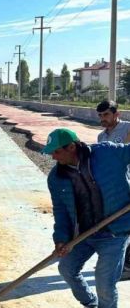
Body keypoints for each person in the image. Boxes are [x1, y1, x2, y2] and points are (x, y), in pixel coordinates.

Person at [43, 128, 130, 308]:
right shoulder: (56, 178)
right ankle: (90, 303)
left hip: (115, 233)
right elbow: (61, 211)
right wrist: (60, 239)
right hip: (84, 234)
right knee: (66, 269)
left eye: (57, 151)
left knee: (104, 283)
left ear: (72, 147)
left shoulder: (108, 153)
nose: (53, 157)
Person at [96, 99, 130, 280]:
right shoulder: (101, 137)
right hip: (115, 188)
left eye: (106, 115)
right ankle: (119, 262)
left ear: (117, 114)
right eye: (100, 115)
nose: (103, 118)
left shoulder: (128, 129)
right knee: (120, 225)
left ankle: (127, 266)